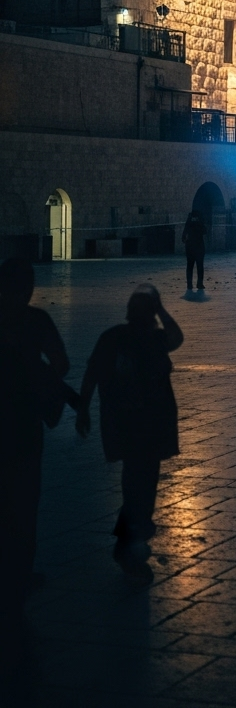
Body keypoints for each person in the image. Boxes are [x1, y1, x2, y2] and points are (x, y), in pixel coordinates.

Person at [77, 285, 183, 582]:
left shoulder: (113, 337)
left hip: (125, 423)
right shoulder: (153, 338)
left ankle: (129, 542)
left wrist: (83, 409)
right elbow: (176, 337)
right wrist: (161, 309)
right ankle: (130, 546)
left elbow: (91, 374)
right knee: (141, 488)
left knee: (136, 483)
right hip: (147, 426)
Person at [0, 258, 72, 666]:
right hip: (24, 426)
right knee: (24, 505)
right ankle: (19, 575)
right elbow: (60, 363)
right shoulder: (36, 321)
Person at [181, 210, 207, 290]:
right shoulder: (200, 223)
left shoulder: (189, 223)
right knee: (200, 266)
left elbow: (183, 237)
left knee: (190, 266)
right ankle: (199, 283)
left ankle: (189, 284)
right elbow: (204, 231)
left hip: (190, 247)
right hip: (199, 247)